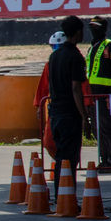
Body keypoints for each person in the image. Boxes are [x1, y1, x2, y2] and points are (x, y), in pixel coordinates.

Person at [46, 15, 90, 192]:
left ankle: (60, 196)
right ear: (78, 32)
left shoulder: (54, 57)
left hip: (55, 113)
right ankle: (66, 198)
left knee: (60, 158)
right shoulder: (75, 57)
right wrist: (84, 116)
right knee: (70, 159)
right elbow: (75, 89)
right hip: (69, 115)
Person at [85, 15, 111, 173]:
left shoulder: (110, 46)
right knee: (98, 128)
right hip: (94, 95)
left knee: (108, 128)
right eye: (91, 27)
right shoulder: (92, 47)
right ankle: (105, 158)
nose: (93, 30)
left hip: (106, 95)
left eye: (96, 27)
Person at [33, 30, 64, 162]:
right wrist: (39, 106)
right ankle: (59, 161)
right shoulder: (49, 65)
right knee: (49, 140)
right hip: (55, 107)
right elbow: (43, 86)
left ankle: (67, 164)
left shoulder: (75, 61)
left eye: (59, 47)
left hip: (71, 107)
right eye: (54, 47)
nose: (56, 50)